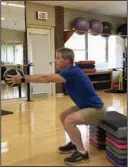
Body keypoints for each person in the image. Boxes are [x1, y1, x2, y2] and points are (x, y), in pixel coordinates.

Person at [7, 47, 106, 165]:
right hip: (85, 106)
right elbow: (45, 76)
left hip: (97, 109)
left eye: (58, 58)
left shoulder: (72, 72)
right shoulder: (67, 72)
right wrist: (26, 78)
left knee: (69, 120)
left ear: (67, 60)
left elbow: (46, 79)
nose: (55, 60)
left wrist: (23, 78)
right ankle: (74, 144)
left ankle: (82, 154)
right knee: (63, 116)